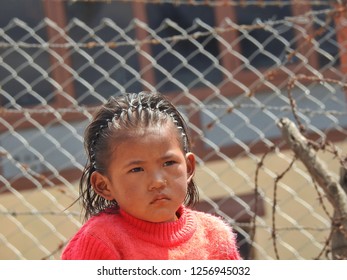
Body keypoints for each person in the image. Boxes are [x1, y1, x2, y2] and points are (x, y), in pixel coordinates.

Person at [61, 92, 241, 260]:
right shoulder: (100, 241)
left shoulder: (215, 237)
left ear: (188, 167)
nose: (157, 182)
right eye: (137, 169)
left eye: (169, 163)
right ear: (104, 185)